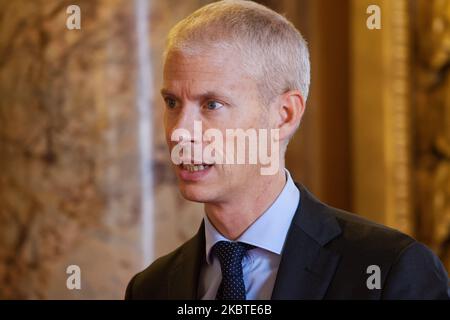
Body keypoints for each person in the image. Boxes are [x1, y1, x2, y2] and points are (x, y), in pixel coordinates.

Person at [125, 0, 449, 299]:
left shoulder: (390, 271)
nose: (180, 131)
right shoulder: (150, 288)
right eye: (172, 102)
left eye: (212, 104)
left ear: (285, 115)